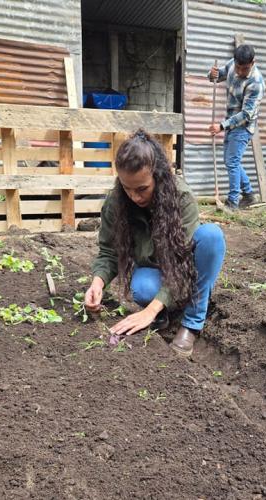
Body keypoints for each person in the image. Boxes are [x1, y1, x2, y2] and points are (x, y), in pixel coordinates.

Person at [83, 130, 226, 357]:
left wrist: (149, 312)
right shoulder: (117, 202)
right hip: (156, 271)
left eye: (142, 189)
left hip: (185, 269)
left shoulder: (181, 198)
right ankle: (167, 305)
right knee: (141, 288)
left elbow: (181, 263)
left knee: (211, 236)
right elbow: (109, 251)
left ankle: (191, 323)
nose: (134, 197)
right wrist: (97, 283)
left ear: (158, 176)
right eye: (127, 188)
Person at [208, 44, 265, 211]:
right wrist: (212, 75)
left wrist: (221, 126)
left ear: (253, 62)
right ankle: (248, 195)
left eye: (244, 69)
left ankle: (233, 203)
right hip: (230, 120)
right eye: (238, 67)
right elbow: (217, 77)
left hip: (243, 125)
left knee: (232, 162)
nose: (240, 72)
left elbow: (246, 114)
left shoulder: (256, 83)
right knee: (230, 161)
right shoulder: (232, 64)